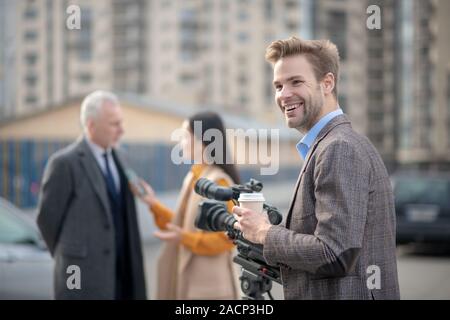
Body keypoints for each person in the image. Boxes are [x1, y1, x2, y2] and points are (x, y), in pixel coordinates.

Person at [233, 37, 400, 300]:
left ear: (327, 83)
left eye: (296, 82)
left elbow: (334, 254)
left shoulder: (339, 148)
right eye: (278, 85)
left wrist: (265, 232)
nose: (284, 94)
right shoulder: (331, 145)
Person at [37, 90, 147, 300]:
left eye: (121, 123)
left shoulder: (121, 157)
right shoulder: (64, 163)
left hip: (124, 273)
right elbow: (47, 222)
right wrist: (71, 257)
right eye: (114, 124)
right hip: (81, 274)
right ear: (90, 125)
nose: (121, 130)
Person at [132, 111, 241, 300]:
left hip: (211, 288)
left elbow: (227, 240)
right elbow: (182, 224)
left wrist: (183, 237)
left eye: (185, 136)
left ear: (203, 141)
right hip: (191, 282)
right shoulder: (194, 176)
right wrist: (153, 204)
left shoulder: (219, 183)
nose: (181, 142)